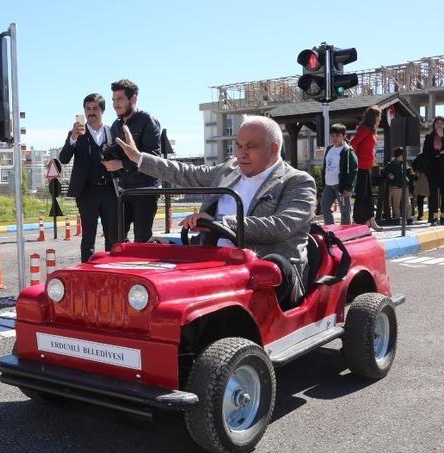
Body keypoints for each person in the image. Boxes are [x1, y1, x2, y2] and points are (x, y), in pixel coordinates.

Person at [104, 115, 316, 307]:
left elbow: (280, 226)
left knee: (266, 270)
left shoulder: (297, 181)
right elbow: (186, 173)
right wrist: (138, 158)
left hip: (265, 271)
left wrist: (219, 222)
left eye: (250, 147)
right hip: (213, 261)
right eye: (239, 146)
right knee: (154, 254)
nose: (241, 153)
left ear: (273, 148)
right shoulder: (229, 170)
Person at [59, 93, 118, 262]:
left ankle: (111, 269)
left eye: (95, 108)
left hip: (109, 191)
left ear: (102, 111)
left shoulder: (112, 131)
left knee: (112, 236)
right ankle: (88, 271)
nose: (91, 112)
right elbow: (63, 159)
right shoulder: (76, 133)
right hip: (87, 192)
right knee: (88, 238)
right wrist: (73, 138)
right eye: (88, 109)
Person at [107, 79, 162, 242]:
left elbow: (154, 156)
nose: (115, 104)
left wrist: (122, 164)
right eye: (113, 100)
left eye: (119, 99)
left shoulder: (147, 120)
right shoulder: (115, 126)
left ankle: (142, 265)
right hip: (124, 190)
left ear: (133, 99)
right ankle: (122, 265)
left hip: (146, 189)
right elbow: (117, 154)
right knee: (114, 235)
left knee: (142, 238)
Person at [350, 105, 382, 230]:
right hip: (361, 167)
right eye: (379, 115)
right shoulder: (365, 129)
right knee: (362, 196)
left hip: (367, 166)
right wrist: (357, 160)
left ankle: (371, 221)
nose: (380, 118)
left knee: (368, 196)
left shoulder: (372, 130)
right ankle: (358, 221)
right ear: (373, 116)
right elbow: (353, 143)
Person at [320, 123, 358, 226]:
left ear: (344, 136)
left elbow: (354, 170)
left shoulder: (347, 151)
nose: (334, 138)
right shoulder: (329, 148)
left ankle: (345, 232)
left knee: (344, 210)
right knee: (324, 206)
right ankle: (330, 230)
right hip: (329, 184)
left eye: (337, 135)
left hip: (341, 185)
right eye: (332, 135)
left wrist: (349, 188)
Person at [422, 116, 444, 225]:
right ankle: (433, 217)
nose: (439, 125)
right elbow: (426, 153)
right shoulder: (429, 137)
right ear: (434, 124)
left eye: (442, 123)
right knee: (433, 195)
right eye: (437, 123)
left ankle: (443, 217)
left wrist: (442, 136)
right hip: (433, 170)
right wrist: (437, 154)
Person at [385, 147, 409, 220]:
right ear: (399, 155)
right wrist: (389, 174)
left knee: (407, 203)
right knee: (396, 204)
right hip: (396, 186)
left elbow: (409, 170)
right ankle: (397, 218)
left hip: (405, 186)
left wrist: (409, 175)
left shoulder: (404, 163)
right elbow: (384, 171)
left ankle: (408, 218)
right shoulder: (391, 164)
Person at [411, 152, 431, 220]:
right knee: (421, 197)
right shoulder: (421, 155)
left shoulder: (421, 155)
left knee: (423, 197)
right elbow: (414, 164)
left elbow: (414, 164)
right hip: (423, 176)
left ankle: (423, 214)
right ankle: (421, 214)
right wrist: (417, 172)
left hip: (428, 176)